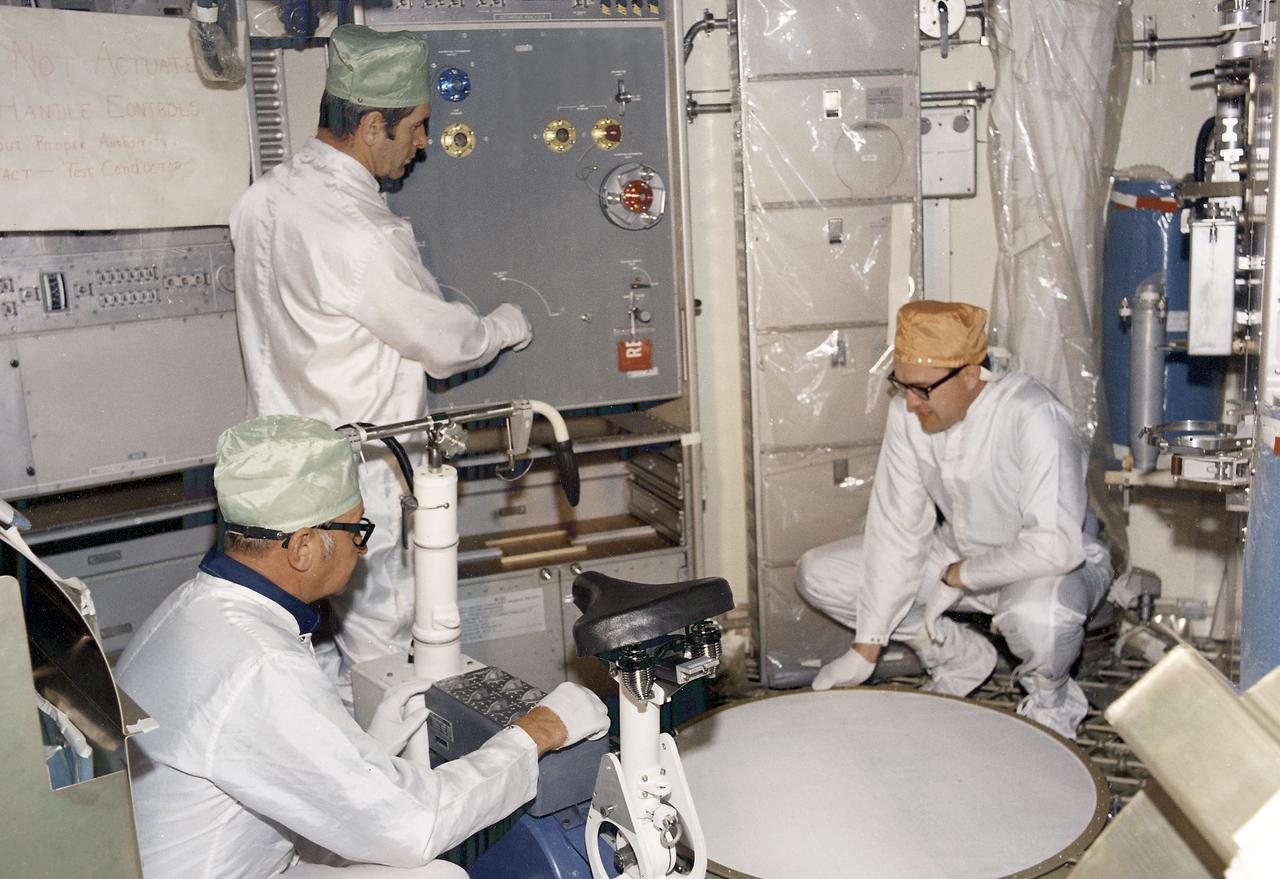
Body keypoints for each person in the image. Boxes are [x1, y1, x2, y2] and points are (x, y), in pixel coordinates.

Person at [117, 416, 609, 878]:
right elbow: (415, 827)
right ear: (303, 546)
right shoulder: (260, 664)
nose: (363, 547)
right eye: (356, 530)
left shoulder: (191, 607)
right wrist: (537, 732)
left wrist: (367, 750)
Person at [230, 25, 533, 679]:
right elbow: (446, 345)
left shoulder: (261, 200)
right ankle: (398, 777)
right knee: (386, 657)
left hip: (281, 474)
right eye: (417, 127)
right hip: (358, 483)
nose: (424, 144)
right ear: (372, 125)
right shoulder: (365, 234)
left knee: (314, 649)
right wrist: (508, 323)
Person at [795, 300, 1112, 739]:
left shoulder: (1034, 416)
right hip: (956, 556)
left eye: (921, 388)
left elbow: (1055, 545)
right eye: (900, 384)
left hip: (1049, 567)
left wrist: (959, 576)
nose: (909, 402)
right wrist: (866, 651)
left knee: (1042, 616)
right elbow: (896, 530)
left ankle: (1051, 705)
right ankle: (955, 655)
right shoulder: (909, 414)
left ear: (969, 373)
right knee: (821, 574)